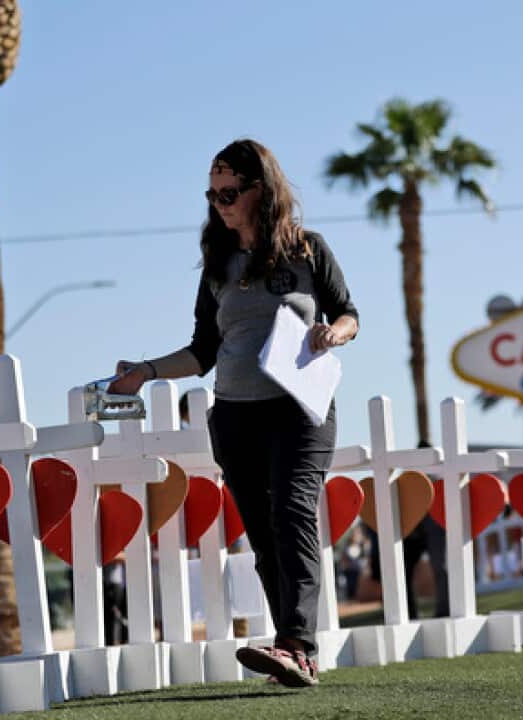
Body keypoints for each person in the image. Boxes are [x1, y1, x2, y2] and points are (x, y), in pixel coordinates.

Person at [107, 139, 358, 688]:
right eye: (212, 193)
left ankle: (296, 645)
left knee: (293, 514)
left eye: (230, 192)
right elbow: (201, 350)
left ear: (261, 192)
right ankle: (297, 653)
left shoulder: (308, 251)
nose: (219, 203)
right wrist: (144, 372)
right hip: (236, 416)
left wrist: (331, 334)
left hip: (299, 412)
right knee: (265, 534)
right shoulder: (218, 267)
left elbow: (349, 314)